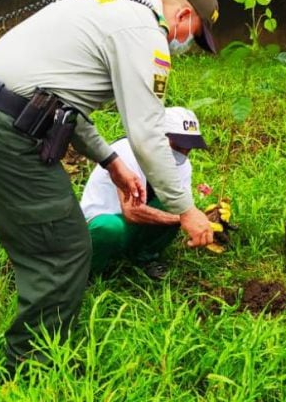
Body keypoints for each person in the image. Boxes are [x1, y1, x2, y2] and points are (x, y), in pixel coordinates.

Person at [0, 0, 220, 375]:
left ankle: (37, 343)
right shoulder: (144, 32)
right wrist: (187, 210)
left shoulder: (103, 6)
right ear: (185, 14)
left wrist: (111, 161)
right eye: (195, 35)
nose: (188, 45)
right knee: (64, 248)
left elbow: (59, 105)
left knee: (43, 241)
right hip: (2, 126)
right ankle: (29, 368)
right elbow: (148, 132)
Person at [81, 106, 209, 278]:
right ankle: (88, 272)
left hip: (137, 224)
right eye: (178, 145)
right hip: (107, 219)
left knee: (177, 204)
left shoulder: (183, 165)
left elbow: (184, 206)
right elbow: (131, 212)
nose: (184, 152)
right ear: (158, 137)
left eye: (189, 147)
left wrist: (201, 218)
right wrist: (181, 219)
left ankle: (145, 257)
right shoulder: (126, 153)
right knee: (110, 229)